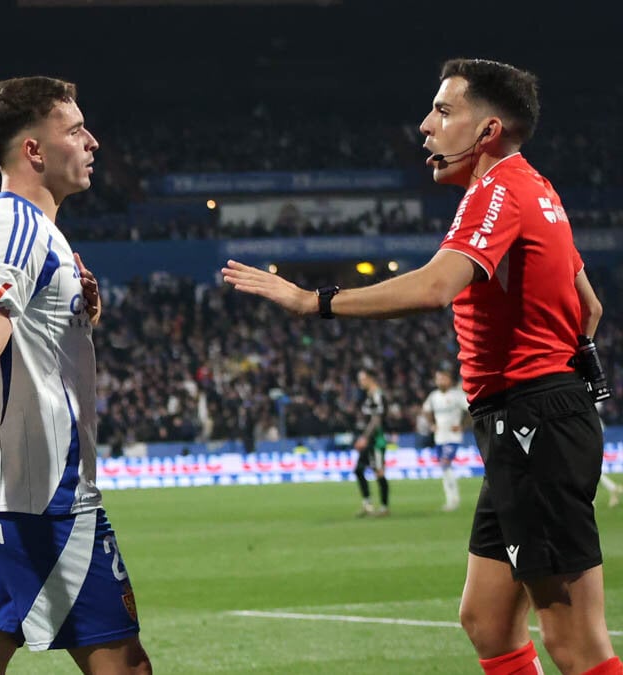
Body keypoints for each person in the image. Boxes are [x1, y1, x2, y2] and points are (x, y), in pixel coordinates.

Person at [222, 59, 619, 675]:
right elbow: (587, 305)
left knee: (574, 641)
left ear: (486, 130)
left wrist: (313, 301)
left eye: (443, 111)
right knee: (487, 620)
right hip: (527, 420)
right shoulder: (537, 187)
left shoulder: (497, 192)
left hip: (535, 419)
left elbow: (437, 286)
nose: (425, 125)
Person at [0, 76, 152, 675]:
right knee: (126, 666)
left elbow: (18, 345)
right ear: (34, 150)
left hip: (9, 497)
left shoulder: (15, 230)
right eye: (75, 130)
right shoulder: (16, 230)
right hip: (43, 502)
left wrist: (76, 310)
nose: (92, 141)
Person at [423, 367, 470, 511]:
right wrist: (432, 424)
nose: (440, 381)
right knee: (444, 467)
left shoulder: (457, 395)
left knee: (445, 463)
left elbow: (470, 410)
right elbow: (426, 410)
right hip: (439, 437)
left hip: (453, 437)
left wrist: (462, 426)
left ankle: (453, 499)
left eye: (443, 378)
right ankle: (451, 499)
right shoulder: (433, 396)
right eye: (438, 378)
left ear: (449, 380)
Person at [353, 368, 390, 517]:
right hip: (368, 440)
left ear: (371, 379)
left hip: (376, 441)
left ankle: (384, 507)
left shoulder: (377, 395)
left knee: (379, 472)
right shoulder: (369, 396)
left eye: (362, 379)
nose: (360, 382)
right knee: (359, 470)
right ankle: (367, 504)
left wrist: (365, 437)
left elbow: (377, 419)